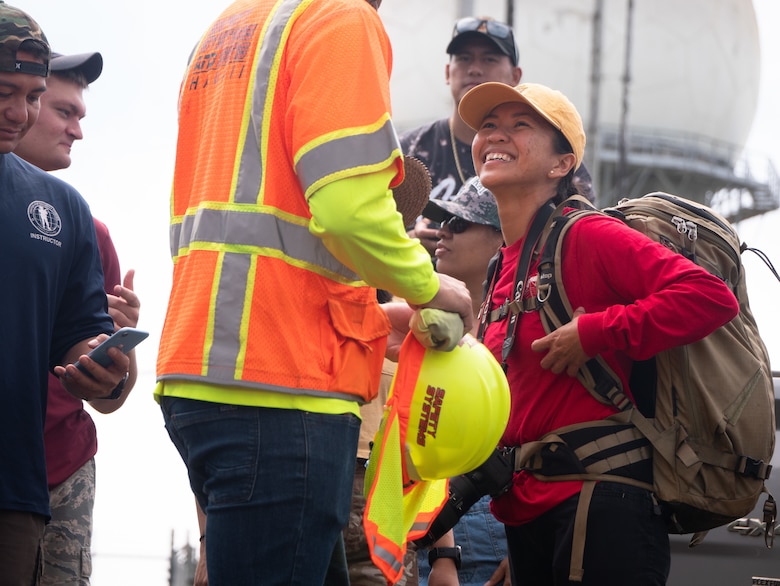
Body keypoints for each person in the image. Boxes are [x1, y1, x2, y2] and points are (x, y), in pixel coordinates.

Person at [155, 1, 472, 585]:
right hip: (282, 391)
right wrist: (430, 287)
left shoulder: (232, 28)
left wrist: (377, 322)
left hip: (206, 369)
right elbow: (347, 211)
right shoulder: (341, 18)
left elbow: (277, 230)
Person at [456, 81, 740, 585]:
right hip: (532, 516)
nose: (496, 135)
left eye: (520, 124)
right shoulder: (505, 261)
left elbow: (710, 297)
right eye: (488, 126)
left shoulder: (585, 234)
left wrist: (594, 332)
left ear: (561, 164)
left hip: (600, 507)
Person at [0, 4, 131, 585]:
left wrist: (108, 361)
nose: (17, 113)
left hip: (24, 486)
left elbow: (84, 342)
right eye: (6, 90)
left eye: (31, 96)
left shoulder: (65, 214)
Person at [418, 177, 510, 586]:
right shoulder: (420, 324)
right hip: (432, 528)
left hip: (504, 525)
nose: (442, 232)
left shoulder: (522, 326)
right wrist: (443, 555)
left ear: (501, 240)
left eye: (459, 223)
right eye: (442, 221)